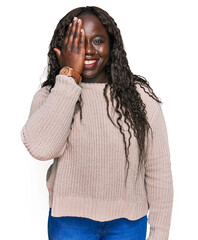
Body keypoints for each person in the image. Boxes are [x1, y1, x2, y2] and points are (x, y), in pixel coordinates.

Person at [20, 6, 174, 240]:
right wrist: (69, 76)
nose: (89, 51)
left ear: (112, 46)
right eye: (79, 43)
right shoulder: (51, 96)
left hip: (128, 224)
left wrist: (159, 233)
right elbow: (42, 149)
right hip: (68, 223)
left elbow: (158, 171)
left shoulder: (140, 98)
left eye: (98, 40)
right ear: (64, 48)